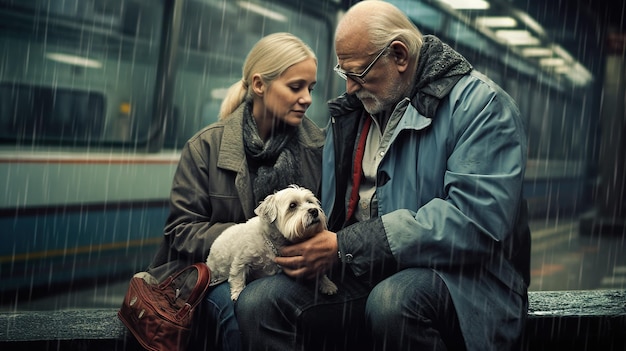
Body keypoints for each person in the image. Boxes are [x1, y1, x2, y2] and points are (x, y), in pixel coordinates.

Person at [235, 1, 531, 350]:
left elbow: (475, 222)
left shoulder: (482, 107)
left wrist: (346, 246)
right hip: (366, 272)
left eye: (357, 74)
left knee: (393, 302)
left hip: (466, 280)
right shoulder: (351, 115)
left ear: (399, 56)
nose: (349, 88)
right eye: (345, 74)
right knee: (259, 302)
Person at [143, 32, 325, 351]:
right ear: (259, 85)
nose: (307, 98)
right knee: (238, 309)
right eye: (296, 87)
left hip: (284, 271)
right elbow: (181, 231)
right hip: (210, 273)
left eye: (311, 88)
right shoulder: (206, 147)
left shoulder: (317, 148)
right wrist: (250, 239)